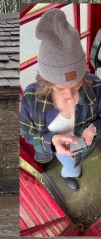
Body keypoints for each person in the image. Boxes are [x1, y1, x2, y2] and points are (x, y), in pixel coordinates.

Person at [20, 9, 101, 191]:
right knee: (72, 168)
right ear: (47, 81)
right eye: (60, 88)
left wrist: (94, 128)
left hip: (88, 145)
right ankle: (68, 174)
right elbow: (26, 135)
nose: (70, 95)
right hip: (63, 153)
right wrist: (52, 141)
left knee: (83, 158)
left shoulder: (95, 86)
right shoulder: (31, 100)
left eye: (77, 84)